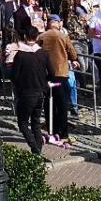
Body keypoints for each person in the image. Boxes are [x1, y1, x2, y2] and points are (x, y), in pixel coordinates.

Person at [9, 27, 51, 156]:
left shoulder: (21, 55)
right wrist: (44, 83)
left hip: (26, 93)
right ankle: (38, 151)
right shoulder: (44, 54)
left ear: (25, 37)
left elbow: (14, 76)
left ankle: (35, 149)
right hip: (40, 92)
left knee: (23, 123)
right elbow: (52, 73)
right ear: (37, 37)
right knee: (35, 123)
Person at [38, 14, 79, 145]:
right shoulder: (62, 36)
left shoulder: (41, 37)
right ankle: (63, 133)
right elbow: (72, 53)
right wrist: (74, 59)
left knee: (49, 103)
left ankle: (52, 130)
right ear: (58, 24)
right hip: (60, 73)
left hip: (46, 74)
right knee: (61, 104)